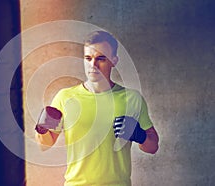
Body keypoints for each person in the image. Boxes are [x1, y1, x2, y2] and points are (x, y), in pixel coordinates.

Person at [35, 30, 159, 186]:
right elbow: (44, 145)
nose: (93, 65)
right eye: (88, 58)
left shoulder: (132, 99)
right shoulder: (65, 97)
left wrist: (140, 135)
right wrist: (42, 128)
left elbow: (153, 147)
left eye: (101, 59)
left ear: (114, 61)